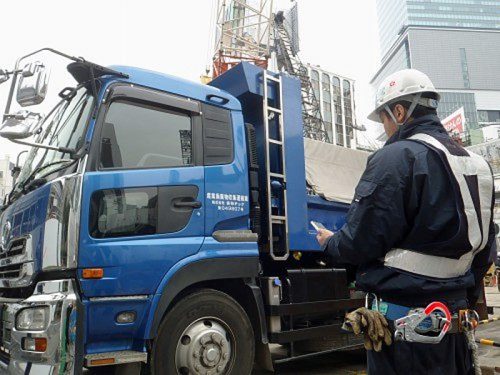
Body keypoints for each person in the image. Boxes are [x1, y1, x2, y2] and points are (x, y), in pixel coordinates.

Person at [316, 69, 496, 375]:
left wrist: (330, 242)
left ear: (400, 112)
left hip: (404, 337)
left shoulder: (395, 158)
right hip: (454, 330)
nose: (385, 130)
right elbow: (484, 252)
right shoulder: (478, 167)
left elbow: (361, 240)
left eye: (385, 120)